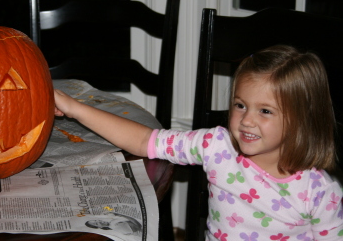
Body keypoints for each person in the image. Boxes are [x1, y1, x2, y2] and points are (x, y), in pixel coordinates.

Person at [54, 45, 343, 240]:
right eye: (240, 105)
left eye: (265, 111)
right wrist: (74, 108)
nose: (247, 120)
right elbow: (144, 140)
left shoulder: (318, 192)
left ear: (301, 120)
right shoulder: (216, 146)